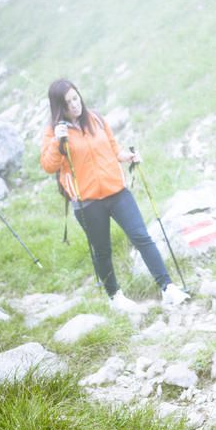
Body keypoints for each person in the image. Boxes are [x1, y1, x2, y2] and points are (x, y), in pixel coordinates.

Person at [40, 79, 189, 308]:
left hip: (117, 191)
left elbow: (111, 145)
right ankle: (115, 297)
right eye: (68, 102)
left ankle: (167, 287)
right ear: (59, 106)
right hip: (87, 201)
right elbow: (49, 166)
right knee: (102, 250)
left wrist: (125, 156)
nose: (75, 105)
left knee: (141, 237)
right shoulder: (52, 131)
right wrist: (57, 142)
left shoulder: (95, 118)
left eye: (75, 98)